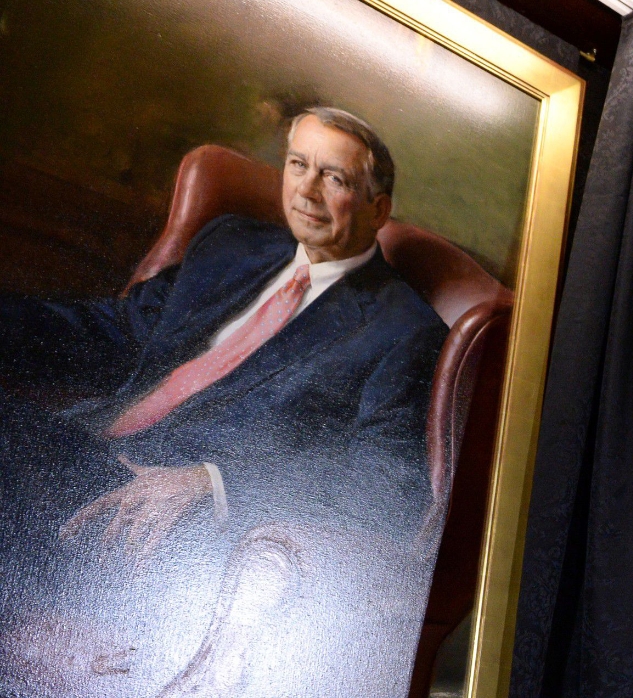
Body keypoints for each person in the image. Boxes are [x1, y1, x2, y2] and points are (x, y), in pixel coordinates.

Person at [0, 107, 446, 563]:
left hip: (163, 525)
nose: (307, 191)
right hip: (86, 445)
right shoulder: (232, 244)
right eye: (298, 165)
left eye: (335, 179)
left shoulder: (405, 331)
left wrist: (215, 483)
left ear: (379, 210)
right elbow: (122, 328)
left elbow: (383, 482)